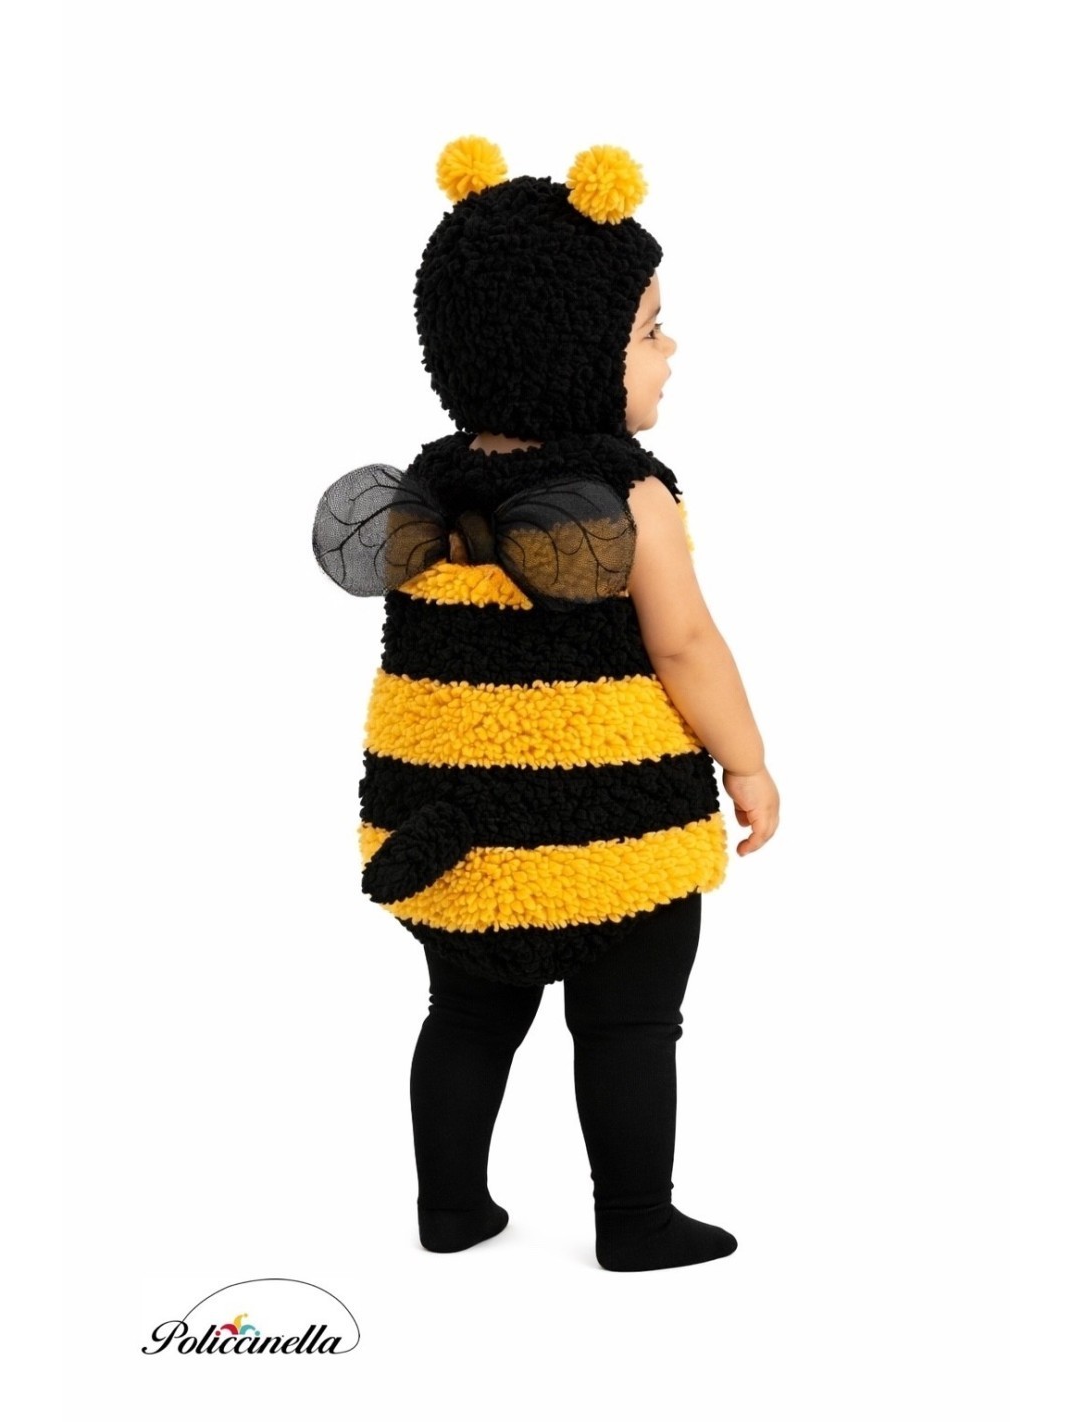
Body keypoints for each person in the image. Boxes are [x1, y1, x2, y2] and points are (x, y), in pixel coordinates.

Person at [313, 136, 780, 1271]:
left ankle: (450, 1210)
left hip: (455, 835)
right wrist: (746, 762)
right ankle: (635, 1220)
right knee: (629, 1024)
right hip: (613, 836)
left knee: (467, 1017)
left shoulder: (427, 486)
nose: (670, 350)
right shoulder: (629, 494)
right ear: (574, 348)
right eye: (649, 330)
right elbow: (684, 644)